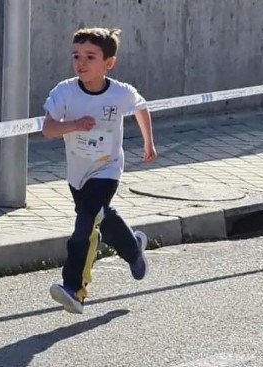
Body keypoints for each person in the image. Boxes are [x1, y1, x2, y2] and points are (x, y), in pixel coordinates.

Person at [42, 27, 157, 313]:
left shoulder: (120, 93)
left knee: (84, 225)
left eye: (90, 57)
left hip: (107, 169)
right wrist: (74, 125)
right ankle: (133, 248)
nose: (81, 63)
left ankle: (74, 289)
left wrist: (148, 143)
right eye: (76, 56)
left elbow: (141, 108)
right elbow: (48, 129)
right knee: (100, 217)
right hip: (77, 174)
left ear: (109, 63)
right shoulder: (64, 91)